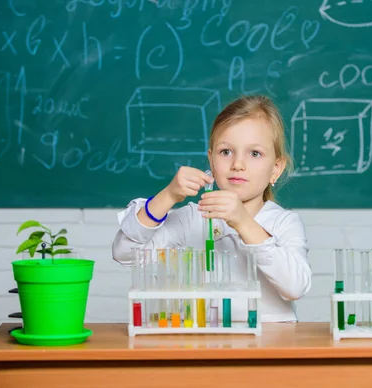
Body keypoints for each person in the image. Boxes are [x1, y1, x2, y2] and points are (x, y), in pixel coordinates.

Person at [112, 95, 311, 323]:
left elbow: (296, 287)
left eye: (254, 153)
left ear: (276, 169)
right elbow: (124, 253)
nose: (237, 164)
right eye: (226, 152)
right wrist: (167, 196)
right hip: (206, 346)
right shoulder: (192, 218)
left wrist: (243, 222)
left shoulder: (284, 223)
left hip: (270, 347)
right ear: (211, 161)